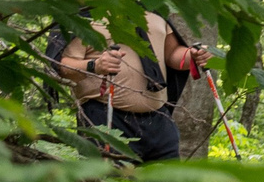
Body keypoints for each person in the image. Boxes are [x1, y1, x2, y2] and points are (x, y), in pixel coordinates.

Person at [51, 12, 206, 163]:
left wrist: (193, 56)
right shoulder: (82, 14)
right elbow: (62, 67)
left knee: (168, 181)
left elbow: (172, 54)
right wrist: (95, 65)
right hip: (104, 117)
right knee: (109, 179)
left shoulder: (153, 10)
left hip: (159, 120)